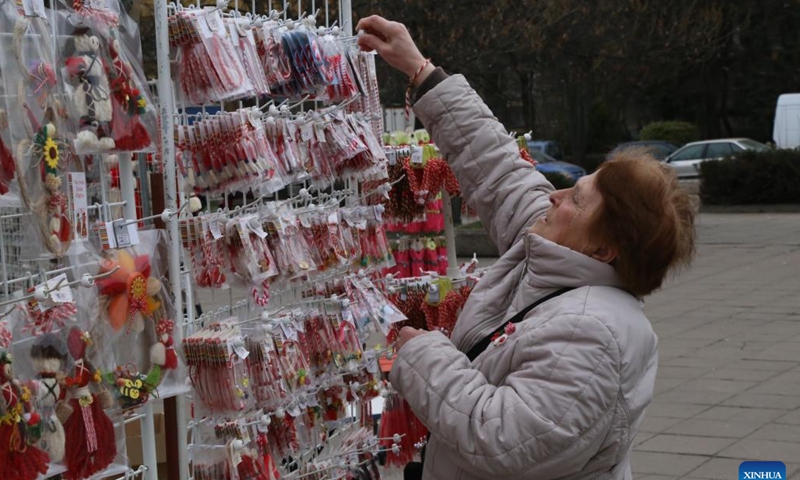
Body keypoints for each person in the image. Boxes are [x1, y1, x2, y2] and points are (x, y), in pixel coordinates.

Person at [356, 15, 696, 480]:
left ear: (605, 250)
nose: (555, 196)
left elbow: (503, 441)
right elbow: (497, 168)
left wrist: (419, 354)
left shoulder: (592, 336)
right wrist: (420, 69)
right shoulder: (553, 249)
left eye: (576, 199)